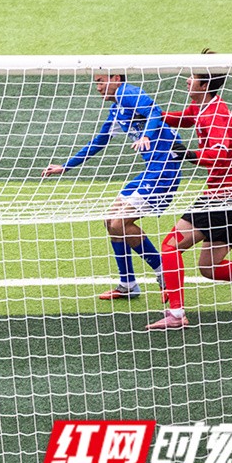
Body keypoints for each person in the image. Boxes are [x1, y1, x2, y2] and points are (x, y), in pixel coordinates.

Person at [146, 53, 232, 329]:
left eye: (193, 78)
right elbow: (183, 118)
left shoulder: (215, 116)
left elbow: (218, 156)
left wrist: (186, 154)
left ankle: (176, 315)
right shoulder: (205, 107)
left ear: (204, 85)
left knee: (170, 246)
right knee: (209, 267)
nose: (187, 81)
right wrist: (149, 114)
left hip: (225, 198)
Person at [42, 73, 184, 300]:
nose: (98, 87)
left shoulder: (127, 92)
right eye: (96, 83)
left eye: (100, 81)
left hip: (164, 171)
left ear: (116, 77)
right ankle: (128, 284)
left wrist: (146, 136)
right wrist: (65, 167)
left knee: (120, 224)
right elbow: (99, 141)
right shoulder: (117, 109)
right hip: (151, 171)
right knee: (110, 221)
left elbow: (154, 112)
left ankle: (163, 271)